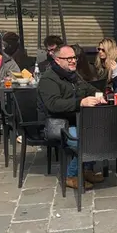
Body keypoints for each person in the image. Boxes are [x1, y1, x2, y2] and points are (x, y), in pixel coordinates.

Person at [36, 45, 105, 190]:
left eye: (74, 57)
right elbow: (53, 105)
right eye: (68, 58)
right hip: (59, 123)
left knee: (98, 134)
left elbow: (89, 89)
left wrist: (100, 96)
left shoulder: (74, 75)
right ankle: (71, 175)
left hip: (78, 120)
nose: (73, 61)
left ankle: (86, 170)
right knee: (81, 141)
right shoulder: (48, 79)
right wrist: (80, 102)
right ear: (57, 60)